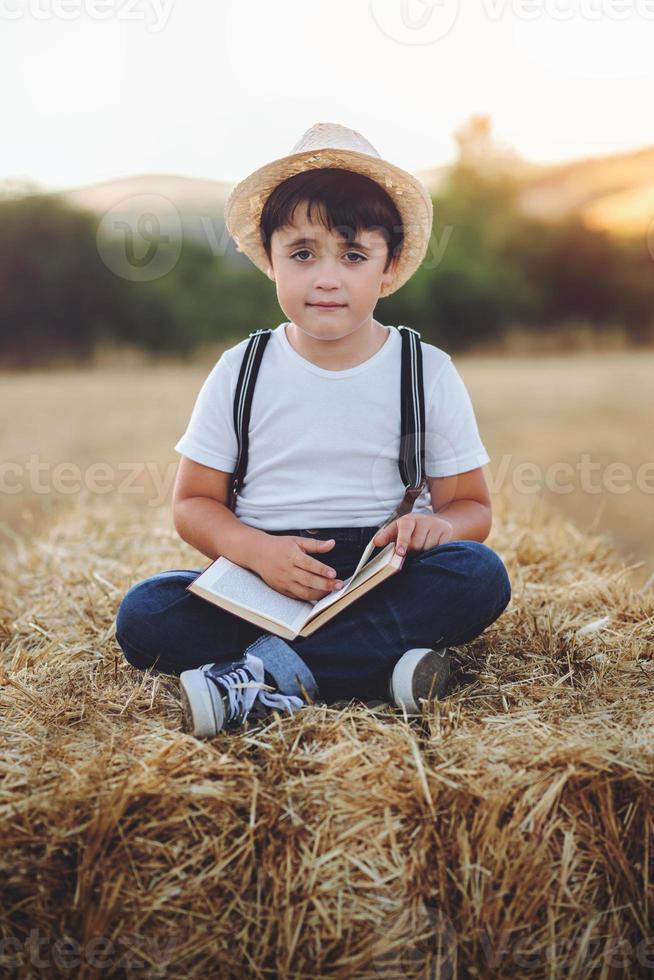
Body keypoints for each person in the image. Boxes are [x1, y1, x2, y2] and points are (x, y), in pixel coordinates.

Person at [115, 122, 512, 738]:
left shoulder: (423, 371)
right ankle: (379, 670)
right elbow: (194, 503)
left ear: (390, 266)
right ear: (269, 261)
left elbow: (471, 508)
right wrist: (256, 552)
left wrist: (436, 525)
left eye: (354, 255)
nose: (327, 277)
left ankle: (258, 679)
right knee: (145, 614)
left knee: (478, 574)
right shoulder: (240, 370)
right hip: (262, 575)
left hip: (379, 574)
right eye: (302, 253)